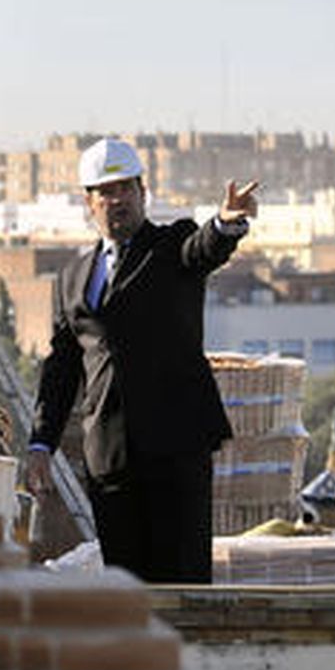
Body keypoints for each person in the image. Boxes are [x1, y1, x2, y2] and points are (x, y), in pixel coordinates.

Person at [26, 137, 259, 583]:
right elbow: (62, 368)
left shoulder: (171, 247)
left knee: (182, 585)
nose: (119, 200)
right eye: (107, 191)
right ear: (89, 201)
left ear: (143, 193)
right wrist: (41, 444)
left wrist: (226, 223)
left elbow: (204, 248)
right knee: (127, 589)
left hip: (176, 451)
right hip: (110, 459)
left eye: (127, 189)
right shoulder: (73, 277)